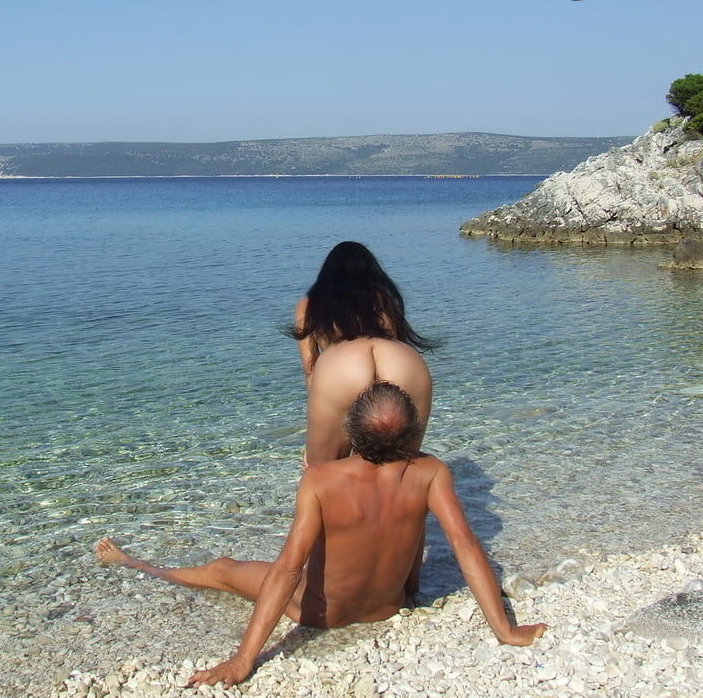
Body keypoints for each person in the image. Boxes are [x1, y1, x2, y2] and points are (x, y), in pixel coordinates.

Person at [94, 383, 546, 688]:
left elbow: (289, 568)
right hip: (389, 606)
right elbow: (465, 545)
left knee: (221, 569)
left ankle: (134, 563)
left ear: (351, 431)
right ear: (413, 431)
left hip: (320, 614)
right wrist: (505, 630)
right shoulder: (431, 472)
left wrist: (243, 660)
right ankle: (136, 563)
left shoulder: (321, 481)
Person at [289, 241, 434, 466]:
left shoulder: (308, 305)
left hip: (342, 367)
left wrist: (318, 407)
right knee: (402, 466)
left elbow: (310, 367)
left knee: (321, 470)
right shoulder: (384, 299)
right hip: (401, 361)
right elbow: (397, 338)